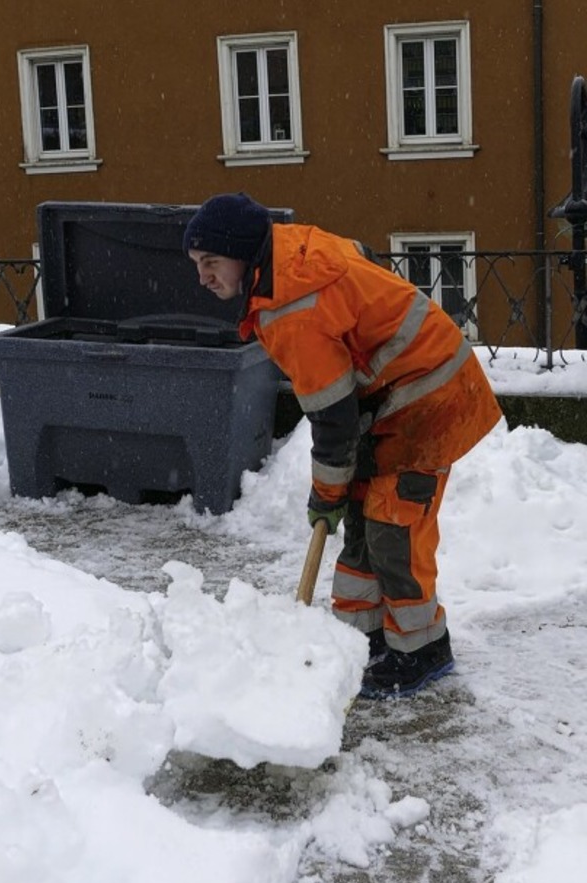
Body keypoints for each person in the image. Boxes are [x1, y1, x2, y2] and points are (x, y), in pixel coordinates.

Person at [183, 193, 502, 699]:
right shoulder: (287, 257)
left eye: (211, 262)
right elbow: (363, 257)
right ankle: (362, 637)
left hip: (431, 396)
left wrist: (324, 496)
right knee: (362, 517)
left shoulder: (290, 307)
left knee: (392, 528)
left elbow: (333, 423)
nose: (202, 276)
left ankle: (422, 648)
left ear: (242, 253)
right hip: (393, 398)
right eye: (197, 265)